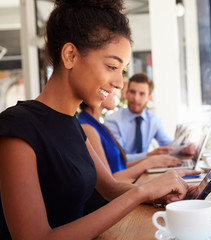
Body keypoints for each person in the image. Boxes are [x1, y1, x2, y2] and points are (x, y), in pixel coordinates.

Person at [0, 1, 198, 239]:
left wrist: (161, 193)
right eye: (112, 66)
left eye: (122, 70)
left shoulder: (72, 123)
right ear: (70, 55)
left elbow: (110, 188)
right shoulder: (17, 127)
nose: (119, 83)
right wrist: (141, 193)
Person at [78, 91, 184, 183]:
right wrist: (150, 162)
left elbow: (120, 167)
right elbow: (110, 182)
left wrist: (153, 159)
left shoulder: (98, 125)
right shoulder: (88, 128)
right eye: (110, 90)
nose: (114, 93)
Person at [104, 72, 195, 162]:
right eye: (132, 92)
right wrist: (150, 155)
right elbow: (118, 158)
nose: (136, 98)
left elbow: (168, 145)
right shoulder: (112, 121)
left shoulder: (153, 120)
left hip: (146, 171)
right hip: (121, 173)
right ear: (126, 93)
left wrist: (184, 148)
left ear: (149, 98)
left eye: (142, 94)